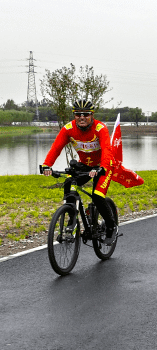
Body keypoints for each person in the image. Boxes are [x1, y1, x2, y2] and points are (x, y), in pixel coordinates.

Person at [40, 99, 117, 245]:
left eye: (86, 114)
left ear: (92, 115)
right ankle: (72, 220)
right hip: (85, 164)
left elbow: (107, 150)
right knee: (69, 184)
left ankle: (111, 227)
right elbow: (56, 148)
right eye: (78, 114)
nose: (82, 117)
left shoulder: (100, 128)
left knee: (97, 196)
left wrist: (102, 167)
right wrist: (46, 165)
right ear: (74, 115)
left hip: (104, 165)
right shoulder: (68, 129)